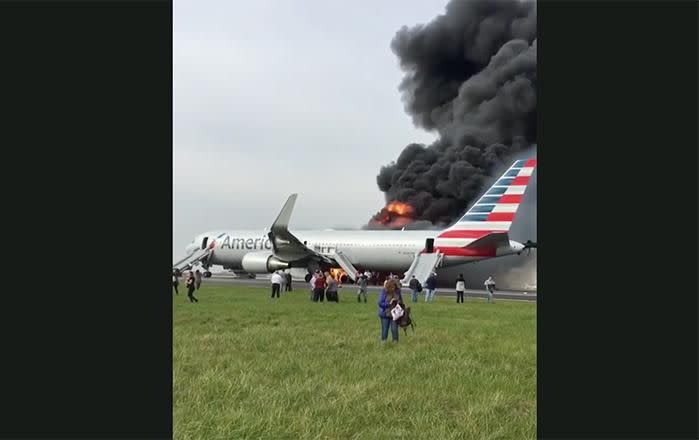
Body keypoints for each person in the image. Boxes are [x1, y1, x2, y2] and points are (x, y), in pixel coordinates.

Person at [378, 278, 403, 343]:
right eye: (392, 287)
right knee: (385, 329)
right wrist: (389, 303)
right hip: (385, 313)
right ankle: (384, 341)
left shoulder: (398, 291)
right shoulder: (384, 291)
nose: (393, 288)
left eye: (395, 286)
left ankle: (395, 342)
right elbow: (380, 303)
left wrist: (398, 302)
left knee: (394, 329)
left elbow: (401, 301)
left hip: (395, 314)